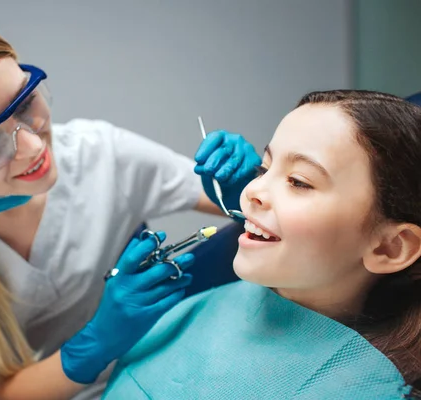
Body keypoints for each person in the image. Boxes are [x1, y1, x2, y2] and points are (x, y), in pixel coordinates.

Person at [0, 6, 260, 400]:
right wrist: (95, 342)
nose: (30, 146)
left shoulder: (103, 155)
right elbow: (4, 392)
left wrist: (249, 187)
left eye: (23, 102)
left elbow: (269, 217)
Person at [103, 90, 421, 399]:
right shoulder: (215, 304)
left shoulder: (363, 388)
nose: (251, 191)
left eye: (299, 181)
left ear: (390, 248)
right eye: (264, 169)